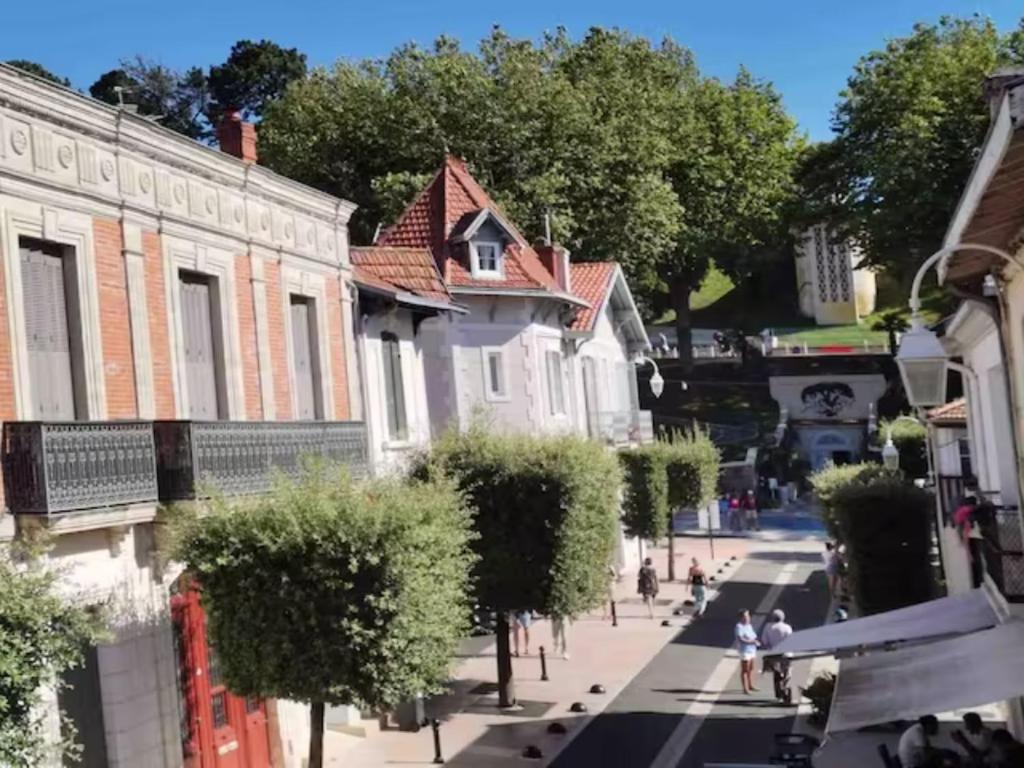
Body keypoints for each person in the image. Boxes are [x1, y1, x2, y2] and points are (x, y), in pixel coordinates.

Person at [760, 609, 793, 703]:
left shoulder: (768, 627)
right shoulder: (787, 627)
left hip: (773, 654)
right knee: (787, 672)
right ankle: (785, 688)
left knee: (777, 674)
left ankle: (779, 694)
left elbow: (764, 641)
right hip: (786, 653)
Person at [734, 609, 760, 694]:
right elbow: (741, 639)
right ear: (741, 617)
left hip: (752, 649)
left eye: (748, 616)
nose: (748, 618)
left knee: (751, 668)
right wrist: (752, 642)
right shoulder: (739, 626)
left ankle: (750, 685)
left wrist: (755, 642)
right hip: (744, 650)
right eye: (745, 616)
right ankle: (745, 688)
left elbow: (753, 636)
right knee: (745, 670)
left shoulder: (749, 625)